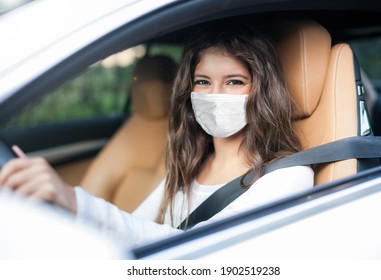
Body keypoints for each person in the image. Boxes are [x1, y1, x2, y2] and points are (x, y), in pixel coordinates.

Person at [0, 23, 314, 247]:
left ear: (261, 91)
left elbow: (194, 252)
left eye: (234, 82)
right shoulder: (190, 162)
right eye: (203, 82)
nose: (214, 94)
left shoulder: (288, 177)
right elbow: (134, 227)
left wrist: (74, 201)